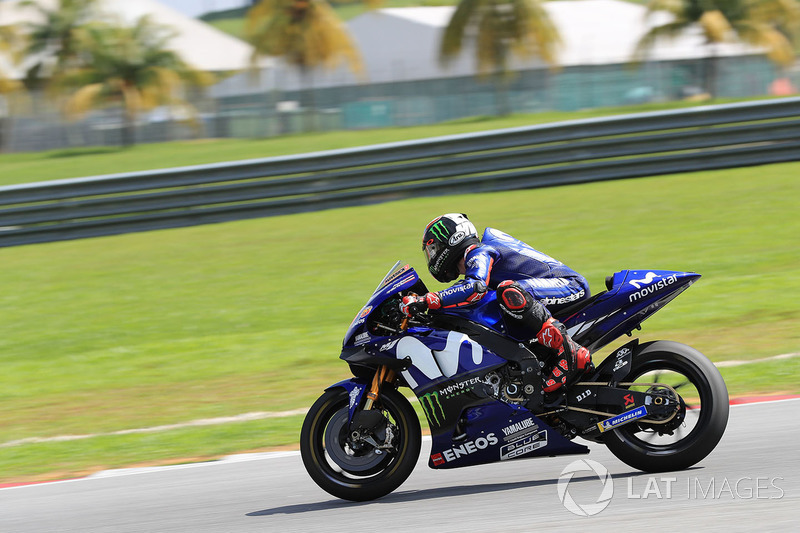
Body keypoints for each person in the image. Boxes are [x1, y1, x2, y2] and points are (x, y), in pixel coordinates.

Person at [400, 213, 592, 393]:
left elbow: (475, 288)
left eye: (433, 249)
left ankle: (569, 352)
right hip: (550, 290)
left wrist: (426, 300)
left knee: (509, 291)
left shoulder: (479, 251)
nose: (432, 257)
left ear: (452, 240)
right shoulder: (476, 258)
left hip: (569, 286)